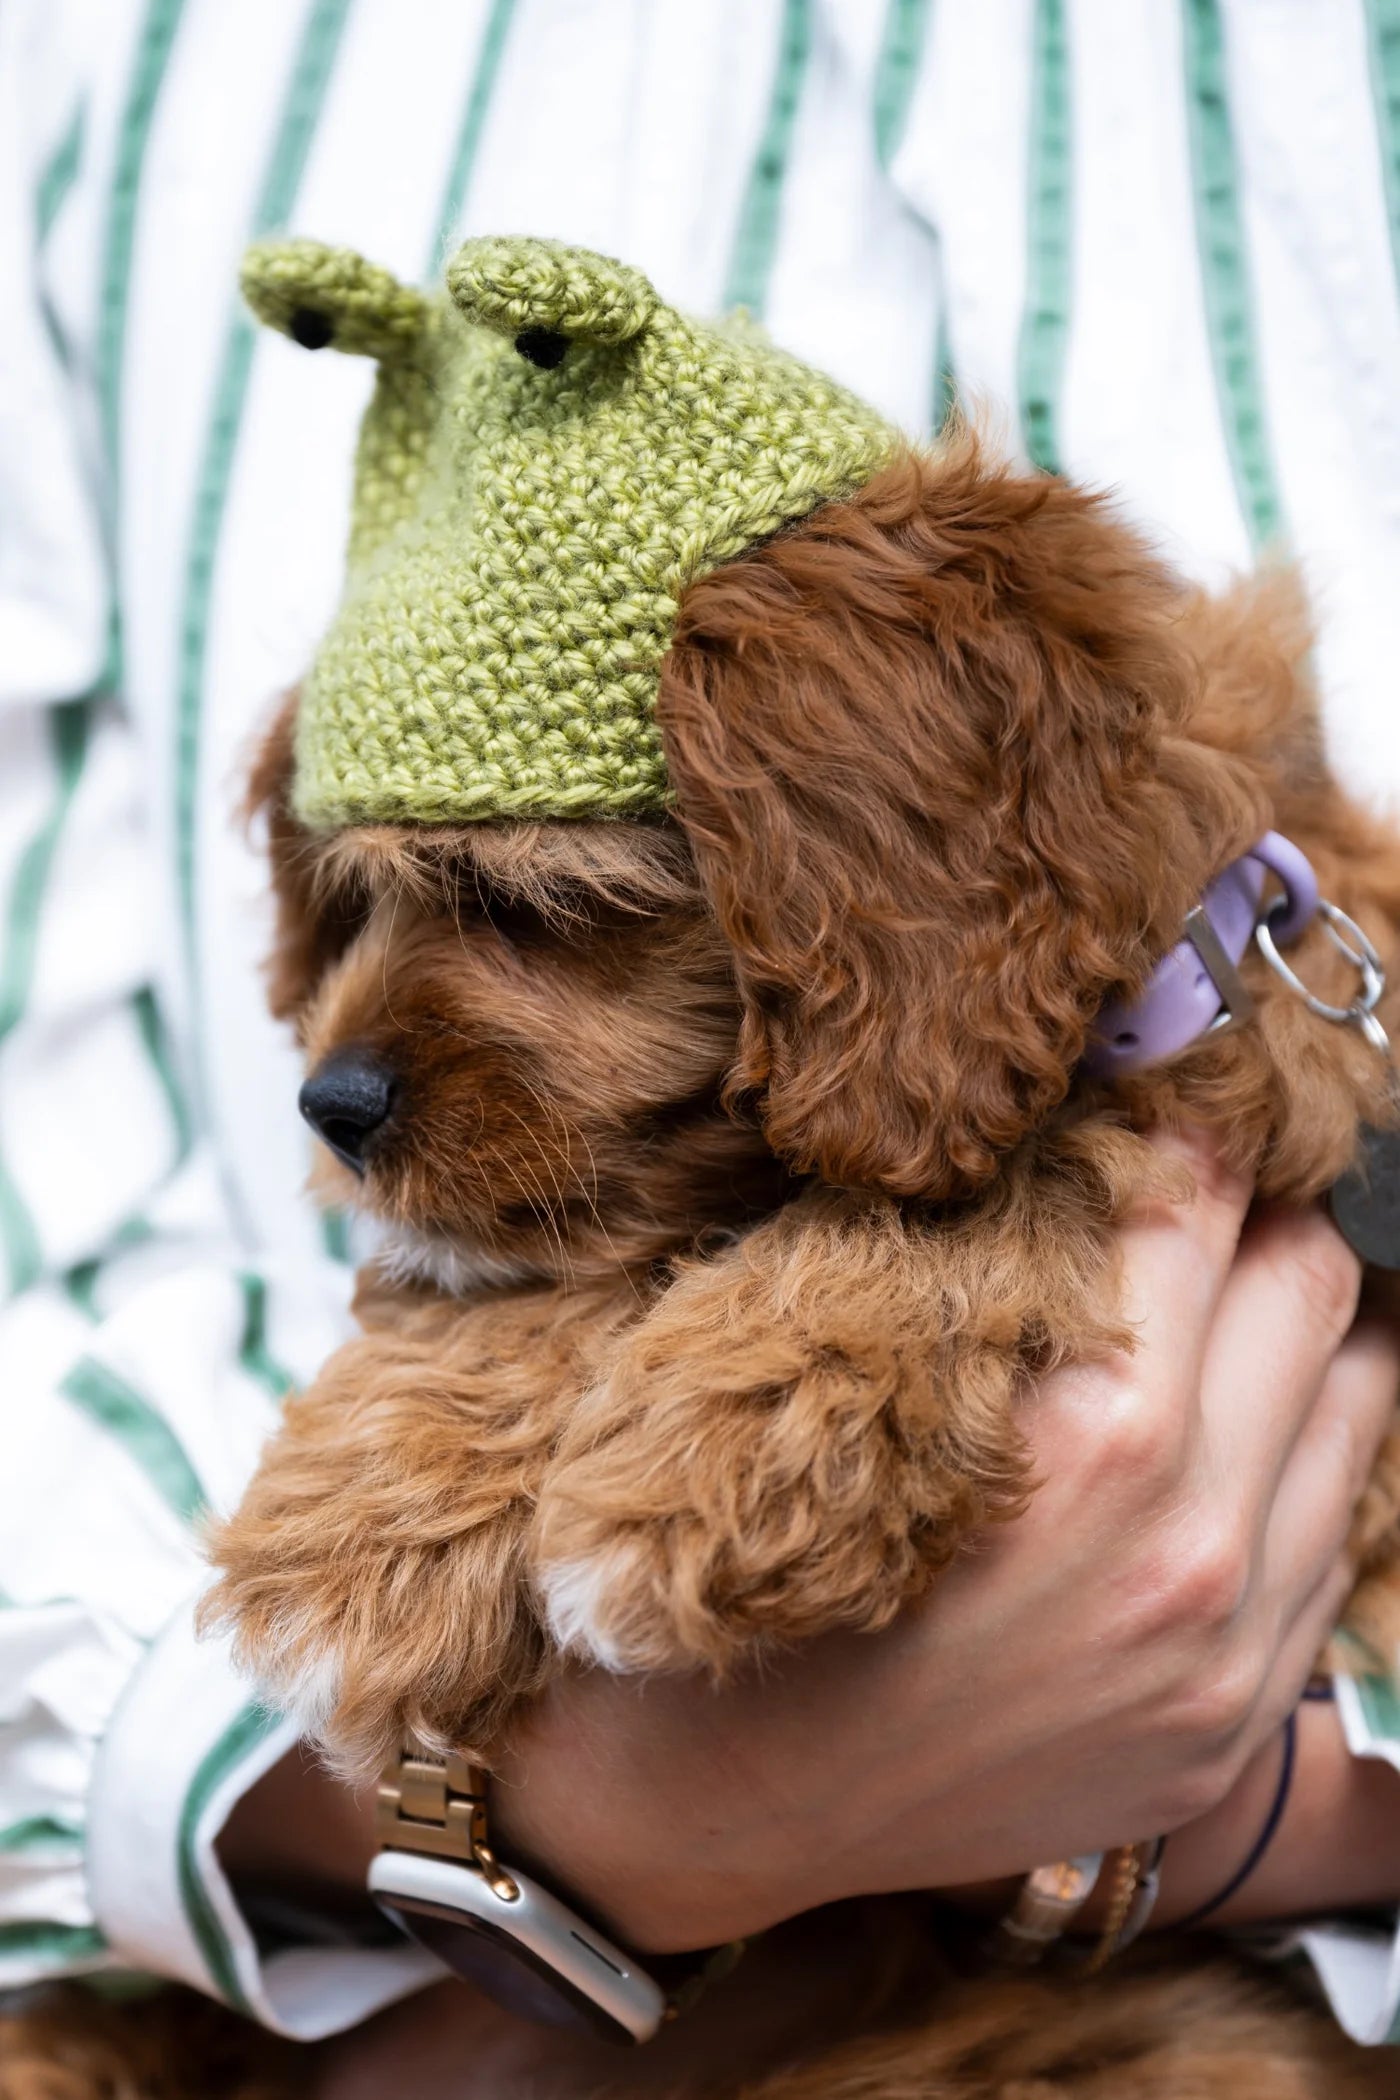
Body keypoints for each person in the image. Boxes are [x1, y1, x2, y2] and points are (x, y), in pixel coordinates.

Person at [4, 0, 1400, 2069]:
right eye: (362, 902)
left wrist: (1196, 1814)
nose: (355, 1055)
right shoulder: (93, 64)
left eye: (553, 914)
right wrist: (589, 1835)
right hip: (298, 1964)